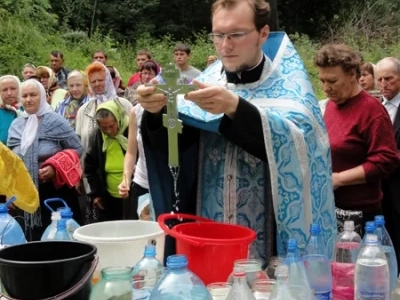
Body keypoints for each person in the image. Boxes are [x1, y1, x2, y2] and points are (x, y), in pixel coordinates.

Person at [136, 0, 336, 266]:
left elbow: (300, 150)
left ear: (263, 33)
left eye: (236, 35)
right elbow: (177, 149)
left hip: (269, 249)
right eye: (218, 35)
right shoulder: (206, 83)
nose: (225, 45)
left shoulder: (292, 89)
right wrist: (155, 114)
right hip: (207, 235)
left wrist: (235, 108)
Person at [316, 45, 400, 236]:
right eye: (322, 80)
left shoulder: (372, 111)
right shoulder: (330, 105)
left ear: (353, 75)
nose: (326, 88)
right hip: (331, 207)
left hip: (361, 215)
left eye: (332, 81)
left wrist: (338, 179)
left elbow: (387, 159)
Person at [7, 79, 83, 240]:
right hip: (25, 194)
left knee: (58, 240)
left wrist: (55, 168)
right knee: (31, 241)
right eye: (25, 95)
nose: (28, 99)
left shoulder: (55, 121)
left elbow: (77, 149)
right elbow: (10, 162)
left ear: (42, 96)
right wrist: (10, 192)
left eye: (33, 95)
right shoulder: (16, 125)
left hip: (54, 193)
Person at [84, 100, 129, 221]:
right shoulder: (97, 136)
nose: (109, 131)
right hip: (108, 196)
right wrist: (96, 193)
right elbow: (90, 167)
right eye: (104, 127)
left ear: (118, 119)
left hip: (132, 194)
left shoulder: (131, 130)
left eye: (111, 126)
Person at [376, 57, 400, 270]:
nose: (384, 84)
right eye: (380, 79)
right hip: (381, 188)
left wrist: (387, 158)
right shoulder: (377, 107)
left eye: (389, 79)